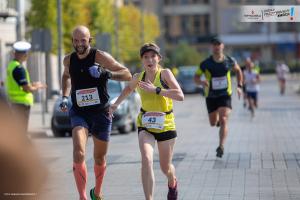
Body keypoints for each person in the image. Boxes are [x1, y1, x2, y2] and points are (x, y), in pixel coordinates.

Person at [60, 25, 131, 200]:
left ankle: (97, 192)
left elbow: (127, 74)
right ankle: (82, 196)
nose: (79, 44)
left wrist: (105, 73)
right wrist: (64, 96)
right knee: (79, 152)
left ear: (89, 40)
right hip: (79, 112)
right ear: (72, 42)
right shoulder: (68, 60)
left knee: (99, 158)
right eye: (76, 41)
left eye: (83, 40)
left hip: (101, 112)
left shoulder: (100, 56)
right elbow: (66, 76)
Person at [109, 43, 184, 200]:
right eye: (146, 57)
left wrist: (156, 90)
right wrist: (116, 104)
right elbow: (128, 89)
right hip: (146, 124)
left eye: (153, 56)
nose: (150, 60)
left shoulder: (165, 74)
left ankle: (172, 181)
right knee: (147, 159)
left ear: (159, 58)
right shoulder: (138, 77)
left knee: (165, 168)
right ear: (142, 60)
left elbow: (180, 95)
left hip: (166, 123)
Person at [194, 37, 243, 158]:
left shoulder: (229, 61)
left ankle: (221, 146)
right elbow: (196, 77)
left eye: (218, 44)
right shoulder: (205, 63)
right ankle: (217, 122)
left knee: (224, 119)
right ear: (212, 47)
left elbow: (238, 71)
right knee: (212, 122)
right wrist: (202, 83)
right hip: (210, 96)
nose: (217, 47)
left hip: (225, 95)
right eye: (214, 45)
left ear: (223, 46)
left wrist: (239, 86)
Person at [5, 41, 47, 132]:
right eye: (26, 53)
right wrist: (37, 87)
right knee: (21, 131)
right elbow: (26, 88)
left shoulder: (11, 65)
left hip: (15, 103)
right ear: (24, 54)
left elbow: (19, 84)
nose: (27, 55)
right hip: (21, 104)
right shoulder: (19, 69)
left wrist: (33, 84)